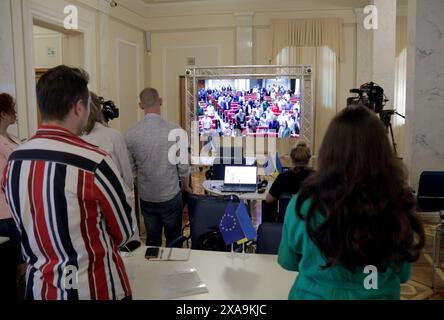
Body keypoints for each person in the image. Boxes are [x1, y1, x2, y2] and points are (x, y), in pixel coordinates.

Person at [3, 65, 137, 300]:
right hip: (94, 288)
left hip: (40, 289)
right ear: (79, 107)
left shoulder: (15, 159)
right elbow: (125, 231)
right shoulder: (94, 161)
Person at [278, 106, 425, 300]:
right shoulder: (396, 205)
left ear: (328, 152)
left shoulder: (303, 204)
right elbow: (403, 274)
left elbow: (288, 262)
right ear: (382, 153)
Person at [126, 88, 191, 248]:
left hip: (147, 197)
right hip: (170, 194)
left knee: (152, 242)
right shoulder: (176, 130)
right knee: (174, 240)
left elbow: (131, 169)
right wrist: (185, 187)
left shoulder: (130, 134)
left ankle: (152, 271)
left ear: (140, 105)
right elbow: (183, 167)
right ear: (160, 101)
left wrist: (141, 185)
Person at [82, 92, 134, 191]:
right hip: (113, 194)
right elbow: (127, 176)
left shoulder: (74, 137)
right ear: (99, 109)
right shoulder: (113, 136)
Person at [0, 93, 22, 300]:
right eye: (11, 109)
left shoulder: (13, 138)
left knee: (20, 263)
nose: (15, 113)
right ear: (2, 113)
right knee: (11, 265)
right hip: (4, 213)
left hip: (17, 209)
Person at [265, 142, 313, 207]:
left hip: (287, 216)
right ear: (309, 159)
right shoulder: (317, 177)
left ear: (291, 159)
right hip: (311, 216)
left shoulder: (283, 177)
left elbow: (268, 199)